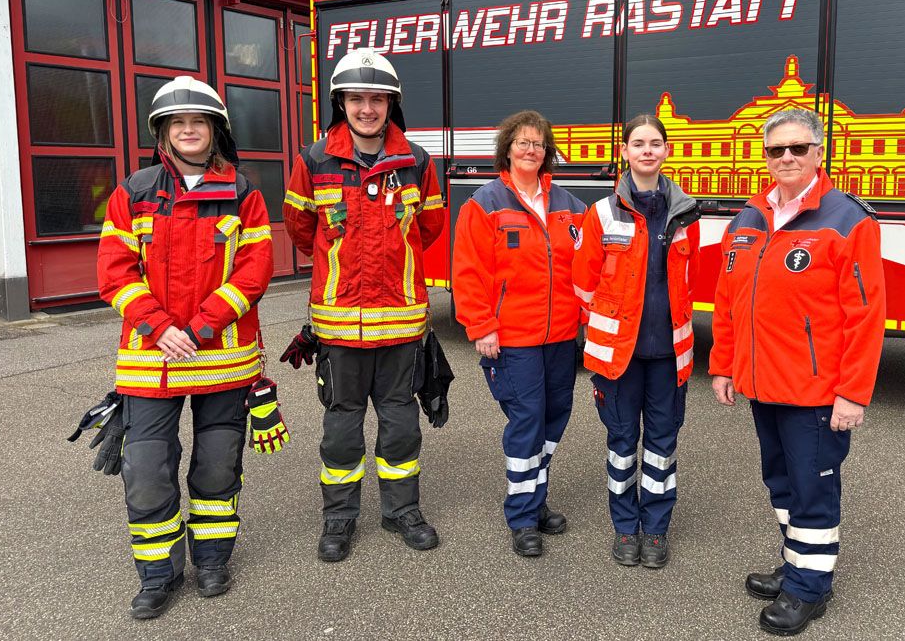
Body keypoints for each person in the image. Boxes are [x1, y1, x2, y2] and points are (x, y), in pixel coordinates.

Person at [96, 76, 275, 619]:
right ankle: (158, 575)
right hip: (152, 359)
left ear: (215, 130)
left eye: (198, 122)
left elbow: (254, 273)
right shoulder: (134, 192)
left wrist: (199, 328)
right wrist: (157, 327)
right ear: (163, 133)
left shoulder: (242, 193)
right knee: (147, 469)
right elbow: (114, 272)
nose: (189, 130)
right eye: (178, 123)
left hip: (222, 358)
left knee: (218, 464)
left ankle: (213, 560)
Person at [709, 108, 886, 635]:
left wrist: (852, 393)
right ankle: (799, 565)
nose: (786, 157)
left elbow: (866, 315)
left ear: (818, 153)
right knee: (781, 482)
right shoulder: (748, 218)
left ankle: (809, 590)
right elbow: (727, 300)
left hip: (815, 391)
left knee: (812, 489)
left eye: (798, 148)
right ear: (765, 157)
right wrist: (723, 365)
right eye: (776, 149)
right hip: (762, 384)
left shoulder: (847, 219)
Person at [283, 48, 445, 562]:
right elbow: (301, 230)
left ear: (392, 104)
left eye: (377, 99)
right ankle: (339, 518)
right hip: (339, 328)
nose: (367, 109)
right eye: (356, 99)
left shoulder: (417, 162)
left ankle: (402, 511)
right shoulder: (314, 161)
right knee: (341, 431)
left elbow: (430, 228)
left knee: (401, 426)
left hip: (400, 326)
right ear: (341, 103)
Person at [452, 110, 585, 557]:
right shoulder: (485, 203)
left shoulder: (571, 204)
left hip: (562, 335)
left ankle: (536, 496)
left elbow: (587, 266)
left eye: (538, 144)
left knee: (554, 416)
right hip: (513, 337)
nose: (531, 150)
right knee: (527, 421)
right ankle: (523, 515)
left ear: (548, 152)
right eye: (523, 142)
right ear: (507, 148)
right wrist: (482, 326)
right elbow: (469, 272)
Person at [571, 115, 700, 568]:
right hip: (618, 357)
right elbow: (582, 282)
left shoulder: (685, 213)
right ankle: (626, 527)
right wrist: (611, 325)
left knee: (662, 446)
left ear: (666, 151)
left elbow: (691, 282)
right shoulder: (602, 213)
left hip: (668, 356)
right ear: (625, 152)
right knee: (623, 443)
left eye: (655, 143)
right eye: (639, 143)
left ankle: (657, 529)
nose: (647, 150)